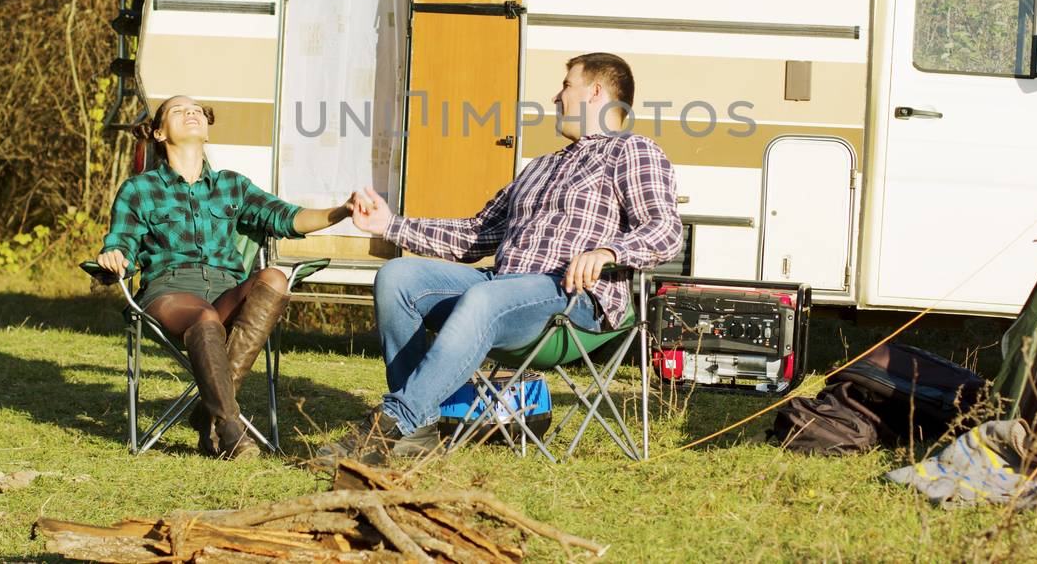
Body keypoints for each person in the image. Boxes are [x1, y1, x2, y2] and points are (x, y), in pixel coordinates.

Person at [315, 52, 682, 466]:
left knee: (484, 300)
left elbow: (665, 231)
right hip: (501, 287)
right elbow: (475, 235)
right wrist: (390, 225)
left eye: (566, 86)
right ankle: (417, 429)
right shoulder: (541, 166)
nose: (555, 98)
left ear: (596, 92)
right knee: (398, 277)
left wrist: (609, 251)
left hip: (567, 297)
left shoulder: (632, 151)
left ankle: (390, 426)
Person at [96, 95, 353, 459]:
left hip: (225, 290)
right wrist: (115, 256)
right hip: (170, 292)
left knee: (274, 278)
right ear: (157, 132)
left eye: (197, 110)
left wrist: (341, 211)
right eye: (178, 110)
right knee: (204, 318)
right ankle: (230, 427)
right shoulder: (139, 190)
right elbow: (121, 243)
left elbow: (288, 218)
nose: (191, 113)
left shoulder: (233, 186)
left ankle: (207, 412)